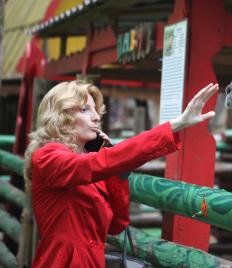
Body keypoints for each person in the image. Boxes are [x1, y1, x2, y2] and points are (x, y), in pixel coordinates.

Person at [23, 80, 218, 267]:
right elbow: (97, 164)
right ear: (60, 116)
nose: (97, 117)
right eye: (84, 110)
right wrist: (175, 125)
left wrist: (117, 171)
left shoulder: (91, 162)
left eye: (95, 110)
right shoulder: (48, 157)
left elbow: (117, 224)